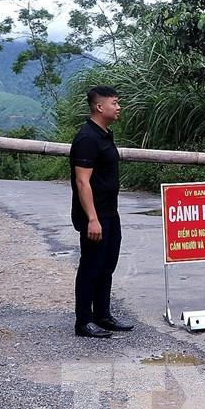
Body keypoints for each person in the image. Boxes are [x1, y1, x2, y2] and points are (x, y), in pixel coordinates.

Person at [70, 86, 134, 338]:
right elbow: (82, 182)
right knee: (91, 266)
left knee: (107, 264)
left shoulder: (104, 134)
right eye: (114, 103)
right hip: (94, 216)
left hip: (110, 212)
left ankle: (103, 315)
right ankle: (84, 321)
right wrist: (92, 219)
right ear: (99, 107)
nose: (118, 107)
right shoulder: (87, 138)